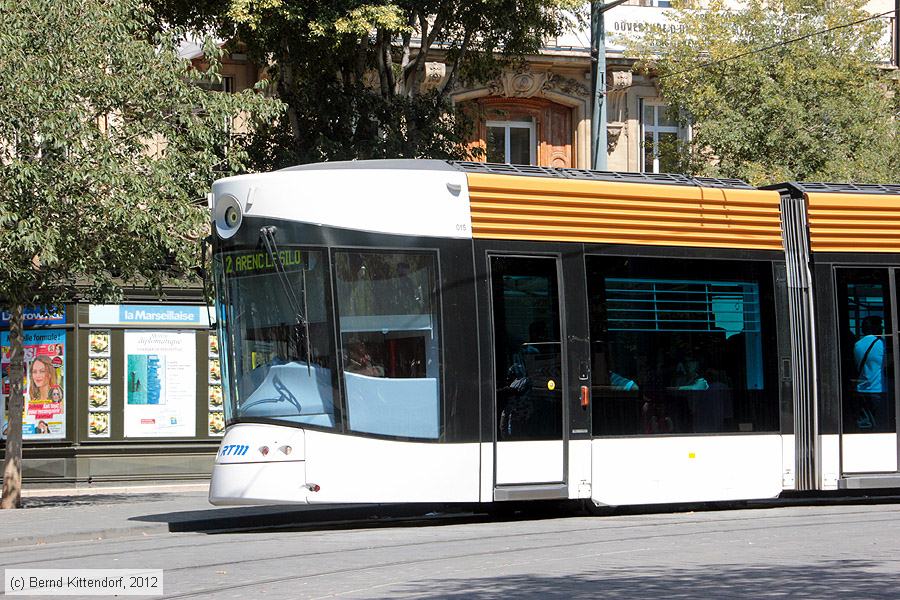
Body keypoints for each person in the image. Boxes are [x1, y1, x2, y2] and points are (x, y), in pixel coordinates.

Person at [852, 315, 886, 430]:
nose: (882, 328)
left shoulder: (857, 345)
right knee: (880, 424)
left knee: (865, 424)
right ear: (876, 327)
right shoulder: (882, 344)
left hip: (861, 389)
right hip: (878, 389)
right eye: (880, 326)